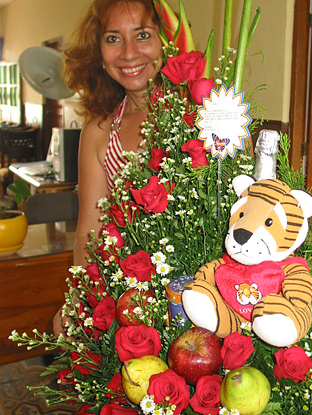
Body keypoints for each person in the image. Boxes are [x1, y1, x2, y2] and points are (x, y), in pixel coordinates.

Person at [53, 0, 163, 338]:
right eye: (113, 38)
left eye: (142, 35)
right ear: (98, 52)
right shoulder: (99, 132)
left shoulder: (207, 115)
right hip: (125, 304)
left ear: (166, 43)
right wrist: (78, 298)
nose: (129, 53)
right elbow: (89, 230)